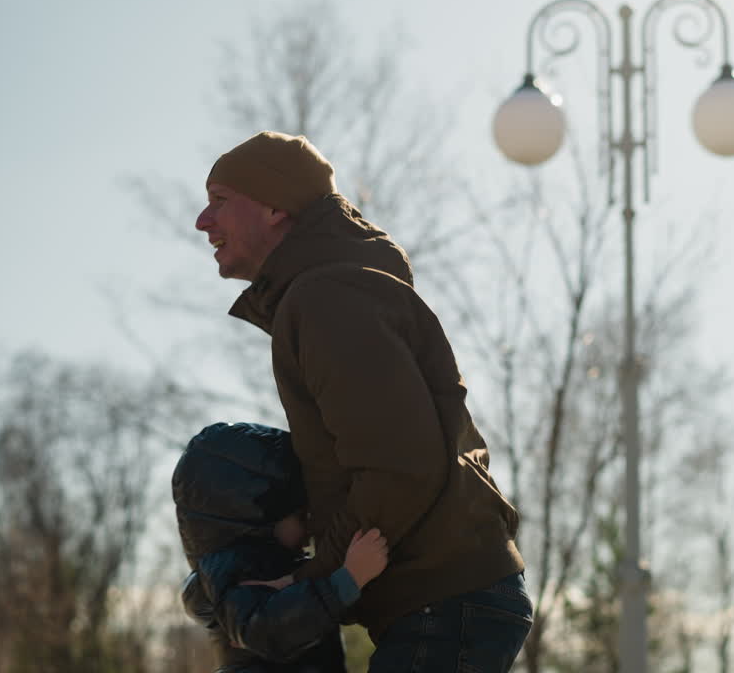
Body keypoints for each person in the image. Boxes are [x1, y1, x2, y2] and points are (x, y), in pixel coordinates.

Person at [194, 131, 531, 672]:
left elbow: (398, 465)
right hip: (444, 596)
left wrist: (317, 577)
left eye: (220, 201)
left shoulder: (326, 299)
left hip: (444, 598)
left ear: (276, 206)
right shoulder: (329, 293)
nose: (202, 222)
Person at [173, 421, 389, 672]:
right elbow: (268, 630)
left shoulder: (259, 564)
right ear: (257, 517)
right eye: (299, 516)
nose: (308, 529)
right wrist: (349, 579)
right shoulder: (238, 575)